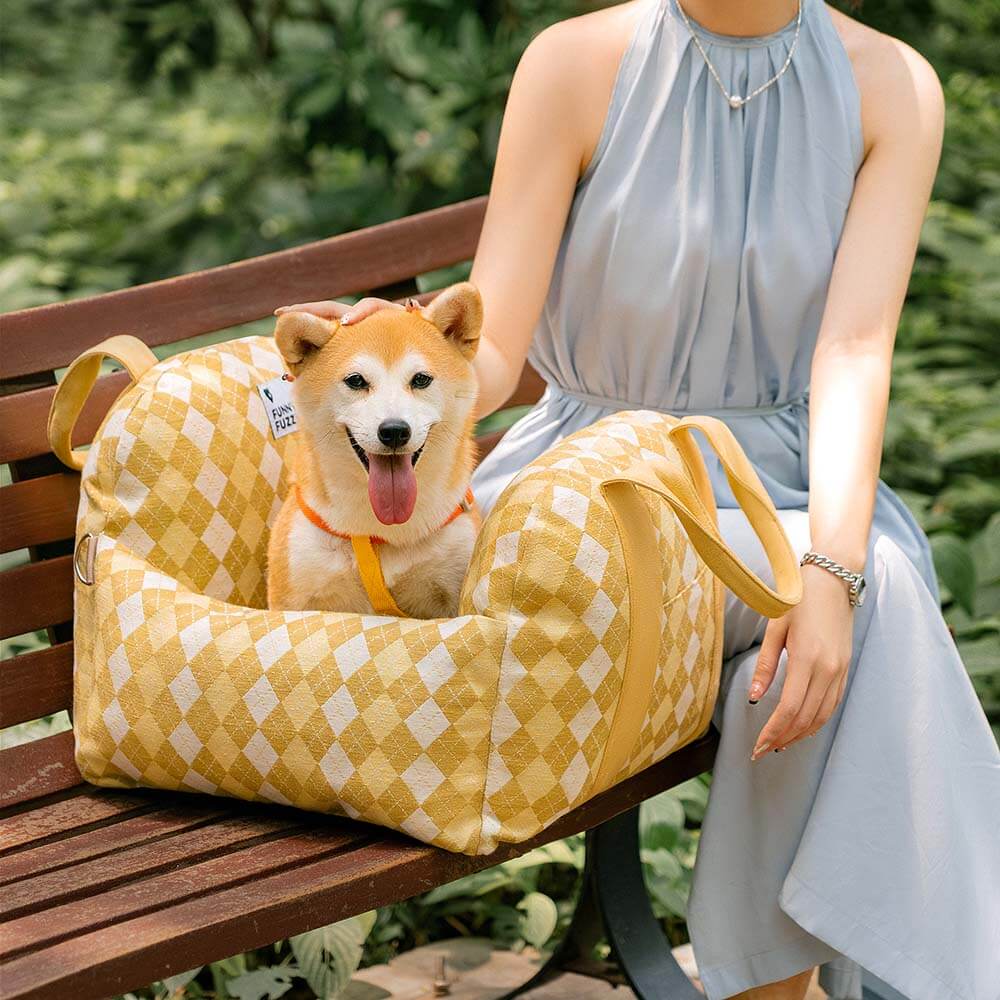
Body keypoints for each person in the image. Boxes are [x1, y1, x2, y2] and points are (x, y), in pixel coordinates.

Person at [275, 1, 1000, 997]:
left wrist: (829, 570)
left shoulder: (894, 88)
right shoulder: (573, 62)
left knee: (829, 623)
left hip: (787, 490)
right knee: (871, 592)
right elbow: (491, 347)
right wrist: (398, 358)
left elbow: (853, 349)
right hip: (591, 493)